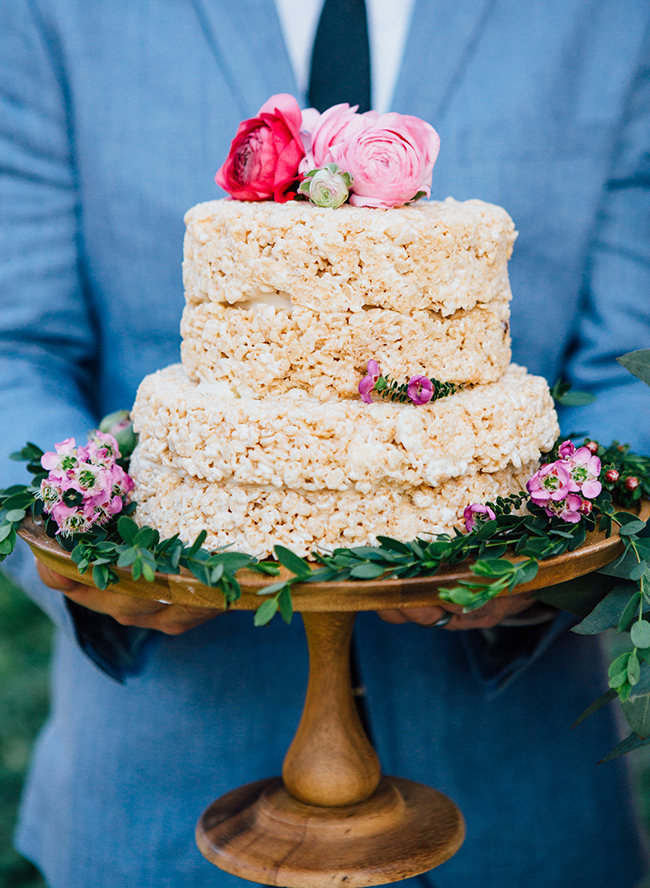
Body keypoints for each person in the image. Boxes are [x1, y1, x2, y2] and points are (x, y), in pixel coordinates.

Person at [1, 1, 649, 886]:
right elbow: (15, 350)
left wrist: (544, 560)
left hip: (519, 804)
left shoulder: (610, 19)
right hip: (164, 787)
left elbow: (630, 367)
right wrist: (96, 554)